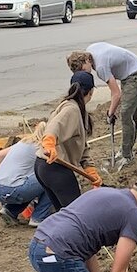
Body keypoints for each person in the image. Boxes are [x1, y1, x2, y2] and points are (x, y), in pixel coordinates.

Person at [68, 44, 137, 170]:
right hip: (131, 68)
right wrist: (112, 107)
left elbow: (116, 94)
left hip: (135, 74)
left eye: (84, 70)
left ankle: (126, 155)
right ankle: (127, 150)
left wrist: (110, 112)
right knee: (130, 112)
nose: (86, 73)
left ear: (86, 61)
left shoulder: (100, 67)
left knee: (126, 113)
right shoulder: (90, 50)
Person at [36, 72, 103, 212]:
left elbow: (81, 145)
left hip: (43, 166)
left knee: (64, 214)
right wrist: (49, 143)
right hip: (54, 166)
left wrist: (90, 170)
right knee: (76, 213)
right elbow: (55, 126)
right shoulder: (71, 109)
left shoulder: (77, 109)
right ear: (91, 92)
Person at [0, 128, 53, 227]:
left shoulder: (22, 143)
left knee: (27, 184)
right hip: (15, 189)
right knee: (50, 179)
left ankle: (10, 211)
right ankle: (38, 217)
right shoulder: (41, 147)